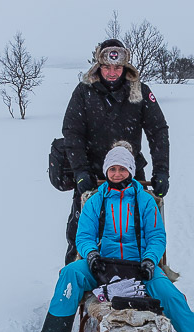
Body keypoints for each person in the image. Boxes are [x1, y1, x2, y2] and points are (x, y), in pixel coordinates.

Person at [39, 145, 194, 332]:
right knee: (70, 273)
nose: (116, 174)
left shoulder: (145, 201)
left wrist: (151, 260)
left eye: (122, 169)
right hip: (103, 265)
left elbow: (156, 236)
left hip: (140, 268)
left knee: (170, 294)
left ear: (131, 171)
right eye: (112, 169)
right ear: (106, 171)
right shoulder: (96, 201)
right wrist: (91, 254)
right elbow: (83, 235)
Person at [60, 38, 170, 263]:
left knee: (135, 230)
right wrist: (80, 172)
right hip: (92, 175)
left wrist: (162, 171)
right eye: (107, 67)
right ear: (98, 66)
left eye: (117, 67)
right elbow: (72, 133)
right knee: (81, 232)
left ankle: (141, 278)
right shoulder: (84, 92)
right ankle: (77, 283)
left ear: (125, 67)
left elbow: (158, 130)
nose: (112, 72)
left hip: (130, 175)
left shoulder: (139, 91)